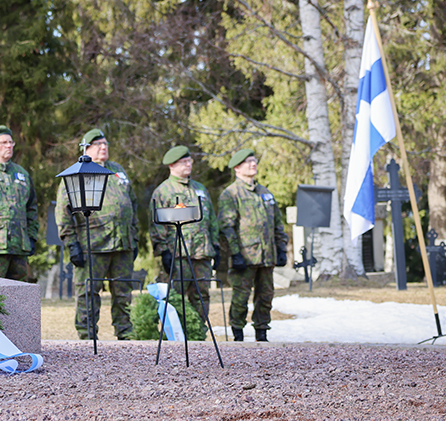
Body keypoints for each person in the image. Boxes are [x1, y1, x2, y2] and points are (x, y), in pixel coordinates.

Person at [56, 129, 138, 340]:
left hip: (122, 243)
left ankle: (125, 334)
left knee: (123, 293)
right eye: (97, 144)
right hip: (92, 244)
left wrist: (134, 237)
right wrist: (71, 243)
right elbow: (63, 211)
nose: (103, 147)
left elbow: (133, 204)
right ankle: (87, 336)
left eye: (105, 143)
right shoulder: (79, 172)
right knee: (88, 293)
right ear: (86, 148)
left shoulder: (118, 170)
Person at [217, 148, 287, 342]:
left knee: (266, 297)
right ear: (237, 168)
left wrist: (281, 248)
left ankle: (262, 333)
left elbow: (277, 225)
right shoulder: (231, 194)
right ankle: (238, 335)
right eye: (248, 162)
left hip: (266, 256)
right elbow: (226, 227)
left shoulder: (265, 193)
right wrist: (235, 254)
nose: (253, 164)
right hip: (245, 257)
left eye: (254, 160)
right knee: (241, 298)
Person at [149, 145, 219, 326]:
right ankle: (176, 335)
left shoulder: (199, 189)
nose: (188, 165)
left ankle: (198, 331)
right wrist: (163, 251)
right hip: (177, 254)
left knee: (202, 295)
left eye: (189, 161)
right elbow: (156, 224)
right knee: (175, 296)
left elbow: (211, 219)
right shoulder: (163, 191)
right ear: (171, 165)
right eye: (183, 162)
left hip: (201, 253)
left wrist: (216, 246)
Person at [0, 125, 39, 282]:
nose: (9, 146)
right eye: (3, 142)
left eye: (11, 142)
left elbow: (31, 208)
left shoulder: (22, 174)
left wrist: (31, 238)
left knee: (21, 295)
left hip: (20, 247)